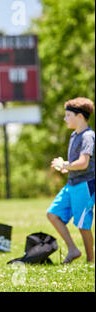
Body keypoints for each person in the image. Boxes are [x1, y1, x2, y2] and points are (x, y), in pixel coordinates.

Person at [48, 97, 95, 264]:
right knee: (53, 214)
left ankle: (91, 261)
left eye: (68, 115)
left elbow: (83, 163)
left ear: (80, 116)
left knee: (83, 224)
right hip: (71, 184)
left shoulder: (88, 136)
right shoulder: (74, 135)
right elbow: (75, 164)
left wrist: (65, 165)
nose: (65, 118)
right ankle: (73, 250)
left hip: (85, 185)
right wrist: (65, 166)